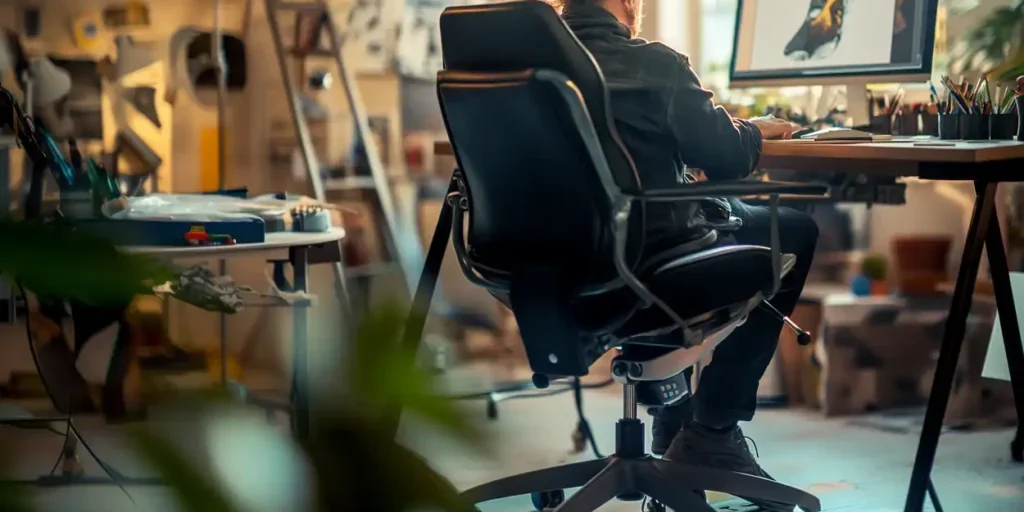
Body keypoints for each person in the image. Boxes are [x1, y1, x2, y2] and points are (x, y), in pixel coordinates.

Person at [551, 1, 820, 510]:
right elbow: (724, 155)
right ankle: (712, 429)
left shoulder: (518, 70)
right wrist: (754, 129)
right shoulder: (653, 63)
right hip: (646, 262)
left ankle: (672, 416)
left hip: (543, 269)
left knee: (713, 217)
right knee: (794, 230)